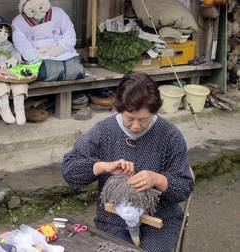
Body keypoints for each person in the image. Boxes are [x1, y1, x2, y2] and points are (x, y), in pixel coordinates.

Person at [61, 72, 194, 252]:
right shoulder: (104, 131)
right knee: (116, 248)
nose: (136, 126)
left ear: (154, 112)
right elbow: (70, 171)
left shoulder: (169, 135)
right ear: (119, 109)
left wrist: (158, 180)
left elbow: (184, 186)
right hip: (114, 218)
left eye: (144, 120)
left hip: (160, 220)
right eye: (129, 118)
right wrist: (103, 166)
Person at [12, 0, 85, 81]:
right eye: (32, 11)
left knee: (74, 69)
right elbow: (20, 42)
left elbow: (69, 32)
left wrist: (61, 48)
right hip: (39, 54)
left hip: (61, 50)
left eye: (40, 7)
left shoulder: (58, 12)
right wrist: (34, 54)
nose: (38, 14)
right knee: (46, 71)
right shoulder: (18, 22)